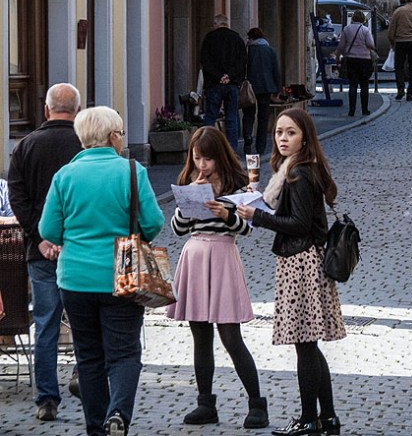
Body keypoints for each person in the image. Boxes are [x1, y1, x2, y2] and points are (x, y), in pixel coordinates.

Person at [39, 106, 165, 436]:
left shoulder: (64, 176)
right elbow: (153, 223)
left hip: (75, 279)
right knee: (124, 353)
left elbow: (49, 230)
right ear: (111, 137)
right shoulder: (131, 172)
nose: (122, 139)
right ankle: (119, 414)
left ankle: (96, 426)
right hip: (121, 275)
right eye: (121, 133)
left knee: (89, 355)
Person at [238, 108, 345, 436]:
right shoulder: (295, 169)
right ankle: (327, 418)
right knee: (309, 345)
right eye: (279, 132)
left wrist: (257, 217)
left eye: (290, 133)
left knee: (305, 345)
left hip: (302, 263)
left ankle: (308, 420)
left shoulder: (298, 173)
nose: (283, 139)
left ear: (305, 137)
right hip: (303, 260)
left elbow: (298, 224)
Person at [167, 126, 268, 429]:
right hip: (195, 255)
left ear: (219, 156)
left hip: (223, 256)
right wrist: (190, 205)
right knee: (200, 335)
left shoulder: (238, 184)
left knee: (230, 336)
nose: (202, 165)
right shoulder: (190, 182)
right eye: (198, 158)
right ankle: (205, 403)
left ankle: (257, 405)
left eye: (208, 159)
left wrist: (227, 215)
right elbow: (178, 229)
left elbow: (248, 229)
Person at [7, 82, 83, 421]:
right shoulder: (85, 146)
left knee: (46, 325)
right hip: (80, 249)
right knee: (85, 321)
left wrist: (38, 238)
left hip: (41, 253)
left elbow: (17, 198)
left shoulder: (25, 146)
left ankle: (46, 399)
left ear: (46, 109)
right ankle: (84, 375)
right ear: (77, 111)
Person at [200, 14, 248, 152]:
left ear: (217, 24)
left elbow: (205, 60)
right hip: (232, 84)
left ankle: (206, 147)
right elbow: (242, 61)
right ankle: (231, 149)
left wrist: (218, 76)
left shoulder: (209, 38)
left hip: (213, 84)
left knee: (210, 116)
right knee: (231, 117)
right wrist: (229, 76)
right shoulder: (236, 38)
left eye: (214, 24)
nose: (213, 26)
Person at [242, 28, 282, 157]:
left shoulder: (248, 51)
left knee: (248, 115)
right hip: (266, 87)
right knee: (263, 118)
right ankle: (261, 147)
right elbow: (276, 71)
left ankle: (248, 138)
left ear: (251, 38)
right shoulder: (270, 50)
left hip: (250, 88)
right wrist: (277, 89)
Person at [335, 10, 377, 117]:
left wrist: (338, 57)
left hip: (351, 59)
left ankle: (351, 110)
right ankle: (364, 109)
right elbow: (371, 44)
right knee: (364, 85)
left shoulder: (347, 29)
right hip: (364, 60)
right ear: (363, 19)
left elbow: (341, 46)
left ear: (353, 18)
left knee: (352, 85)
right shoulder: (365, 30)